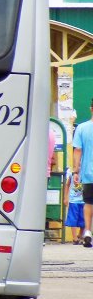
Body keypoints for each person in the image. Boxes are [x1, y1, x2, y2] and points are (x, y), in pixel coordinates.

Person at [72, 99, 93, 248]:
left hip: (88, 173)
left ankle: (87, 231)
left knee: (89, 202)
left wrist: (75, 170)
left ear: (91, 108)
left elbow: (78, 150)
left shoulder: (81, 128)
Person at [64, 166, 85, 244]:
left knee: (84, 220)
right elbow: (67, 185)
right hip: (74, 200)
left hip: (84, 200)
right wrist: (65, 197)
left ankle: (80, 234)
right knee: (73, 219)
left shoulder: (86, 171)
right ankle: (75, 238)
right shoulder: (71, 172)